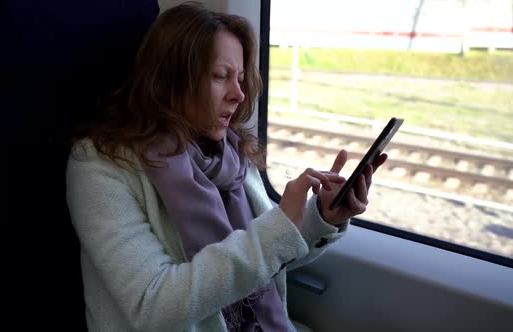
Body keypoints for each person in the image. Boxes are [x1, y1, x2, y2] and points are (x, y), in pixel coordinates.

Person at [66, 2, 387, 331]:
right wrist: (275, 231)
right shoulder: (101, 166)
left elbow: (265, 257)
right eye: (221, 76)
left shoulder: (229, 154)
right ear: (170, 81)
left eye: (241, 79)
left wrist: (321, 216)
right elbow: (152, 305)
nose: (238, 94)